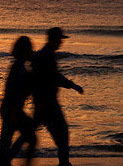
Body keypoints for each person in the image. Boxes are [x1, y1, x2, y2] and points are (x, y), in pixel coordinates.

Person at [31, 27, 84, 166]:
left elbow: (50, 78)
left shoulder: (44, 54)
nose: (61, 42)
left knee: (31, 133)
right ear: (53, 39)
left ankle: (8, 157)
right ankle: (64, 163)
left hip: (43, 102)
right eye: (59, 39)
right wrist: (73, 86)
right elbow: (51, 78)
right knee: (62, 133)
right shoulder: (46, 56)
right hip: (48, 103)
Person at [0, 36, 36, 166]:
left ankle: (2, 162)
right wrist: (14, 113)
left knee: (5, 141)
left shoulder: (19, 66)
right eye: (30, 48)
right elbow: (15, 92)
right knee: (30, 135)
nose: (32, 51)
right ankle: (8, 160)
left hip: (9, 108)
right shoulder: (19, 68)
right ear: (24, 50)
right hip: (12, 110)